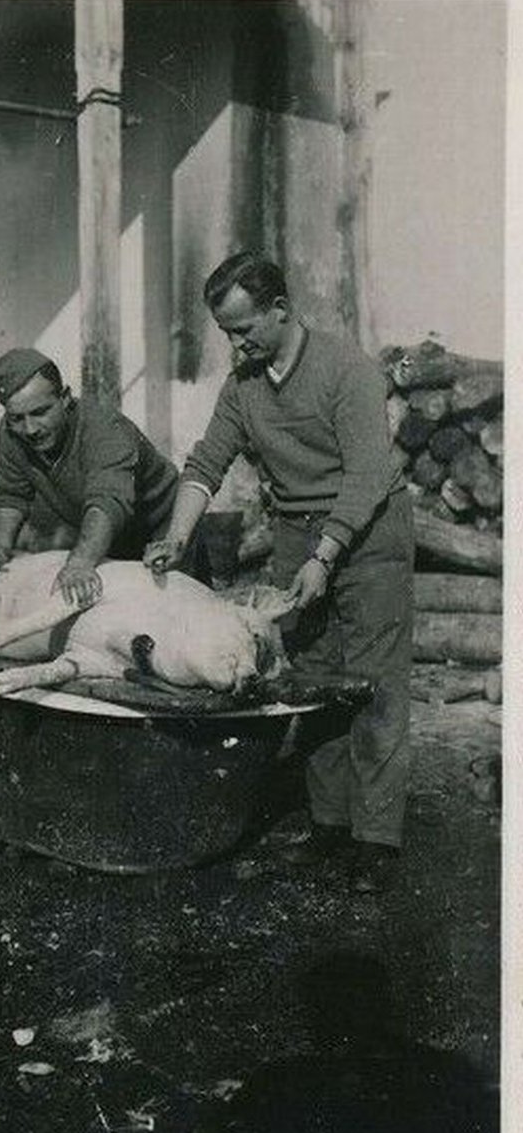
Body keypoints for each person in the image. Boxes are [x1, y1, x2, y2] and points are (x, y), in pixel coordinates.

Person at [145, 253, 413, 894]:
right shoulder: (243, 387)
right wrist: (176, 535)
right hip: (296, 531)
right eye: (227, 333)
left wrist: (327, 556)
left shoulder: (346, 368)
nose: (237, 344)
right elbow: (206, 462)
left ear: (281, 310)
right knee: (312, 678)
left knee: (373, 683)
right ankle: (328, 824)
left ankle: (375, 841)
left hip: (369, 529)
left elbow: (368, 472)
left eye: (245, 329)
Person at [0, 347, 207, 604]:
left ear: (65, 399)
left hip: (162, 529)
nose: (30, 429)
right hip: (109, 536)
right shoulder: (10, 434)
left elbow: (108, 501)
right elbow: (11, 493)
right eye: (17, 418)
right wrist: (2, 546)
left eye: (40, 412)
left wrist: (81, 561)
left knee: (180, 612)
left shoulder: (105, 430)